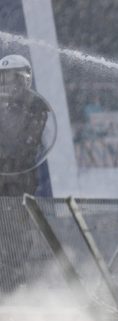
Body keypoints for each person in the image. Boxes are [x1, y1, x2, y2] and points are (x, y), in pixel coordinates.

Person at [0, 54, 51, 292]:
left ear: (26, 79)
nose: (8, 84)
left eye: (14, 78)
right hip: (4, 178)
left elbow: (27, 145)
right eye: (4, 78)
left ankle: (14, 283)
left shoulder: (36, 106)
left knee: (16, 233)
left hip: (19, 180)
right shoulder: (3, 106)